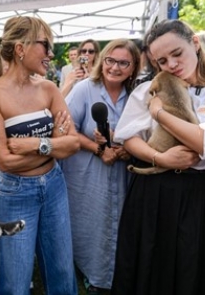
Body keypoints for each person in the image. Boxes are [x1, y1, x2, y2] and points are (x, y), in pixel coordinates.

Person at [111, 19, 205, 295]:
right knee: (151, 270)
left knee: (201, 271)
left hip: (204, 196)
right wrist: (160, 158)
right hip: (153, 193)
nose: (171, 65)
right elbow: (129, 136)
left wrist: (159, 114)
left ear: (194, 43)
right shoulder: (149, 89)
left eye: (177, 54)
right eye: (162, 61)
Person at [0, 16, 80, 295]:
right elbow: (6, 162)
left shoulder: (48, 88)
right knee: (16, 283)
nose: (50, 54)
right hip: (15, 193)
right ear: (20, 49)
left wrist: (35, 144)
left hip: (55, 185)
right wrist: (54, 145)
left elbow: (72, 144)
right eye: (45, 45)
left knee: (61, 273)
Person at [60, 39, 140, 293]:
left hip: (123, 174)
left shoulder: (137, 95)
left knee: (119, 225)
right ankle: (93, 278)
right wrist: (98, 149)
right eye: (110, 60)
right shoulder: (85, 89)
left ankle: (118, 277)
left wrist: (127, 149)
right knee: (91, 225)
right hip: (88, 175)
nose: (115, 68)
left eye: (123, 63)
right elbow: (65, 129)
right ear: (102, 60)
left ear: (133, 67)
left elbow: (144, 133)